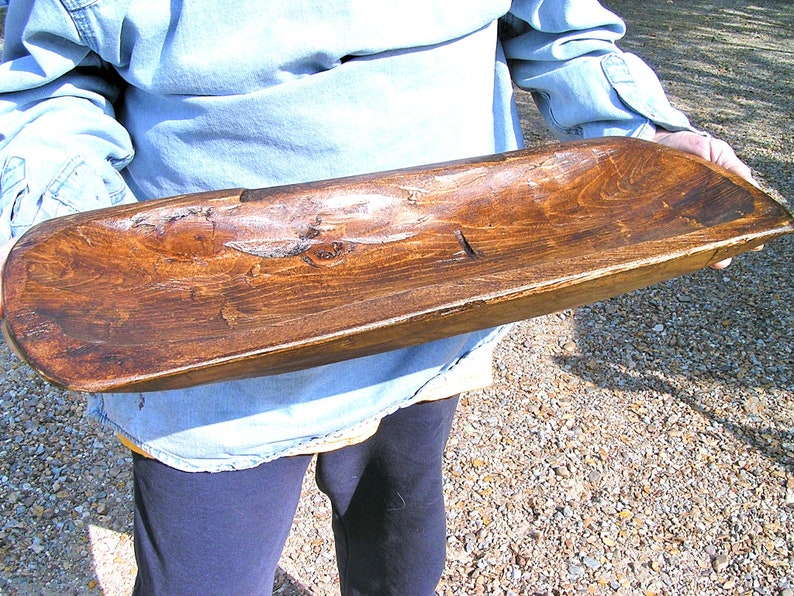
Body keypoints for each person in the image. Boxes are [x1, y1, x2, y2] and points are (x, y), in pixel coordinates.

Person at [0, 1, 755, 594]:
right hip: (208, 326)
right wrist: (84, 249)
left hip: (447, 280)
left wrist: (645, 134)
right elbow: (45, 87)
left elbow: (561, 30)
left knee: (397, 505)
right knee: (206, 566)